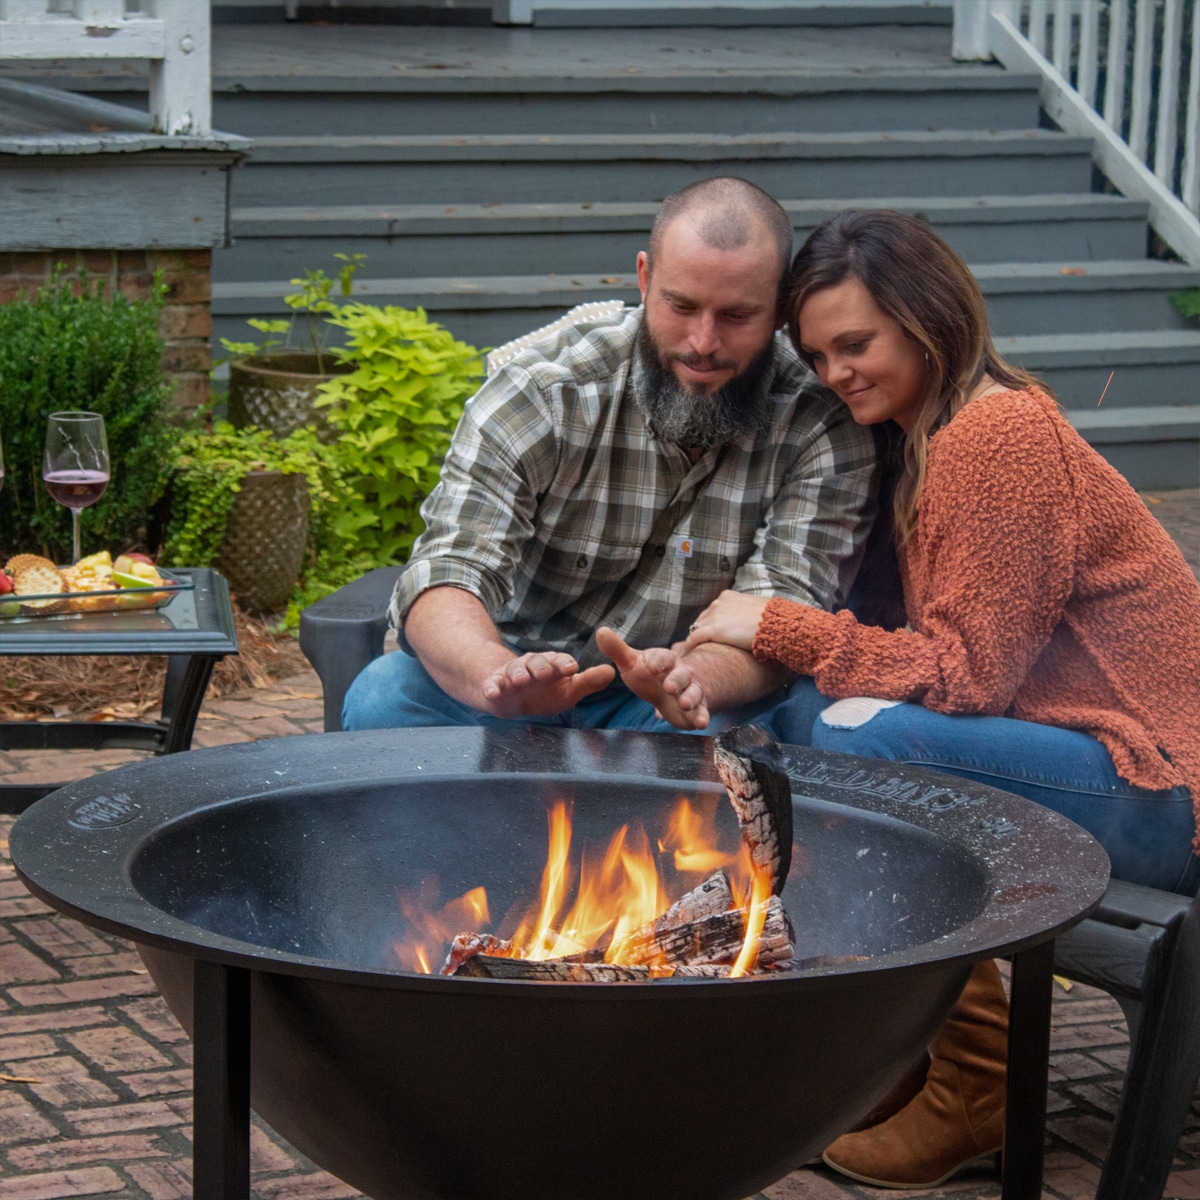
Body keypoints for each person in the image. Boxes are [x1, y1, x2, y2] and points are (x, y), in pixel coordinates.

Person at [682, 208, 1200, 1189]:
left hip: (1165, 782)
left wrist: (771, 623)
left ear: (929, 319)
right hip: (1097, 757)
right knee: (794, 727)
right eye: (819, 353)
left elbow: (967, 678)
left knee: (862, 742)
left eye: (856, 345)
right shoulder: (930, 436)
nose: (836, 374)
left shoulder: (995, 433)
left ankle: (977, 1085)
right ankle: (899, 1057)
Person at [341, 177, 879, 734]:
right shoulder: (544, 391)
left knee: (765, 730)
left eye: (737, 316)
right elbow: (449, 570)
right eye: (682, 305)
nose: (702, 341)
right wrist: (498, 677)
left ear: (779, 311)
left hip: (671, 714)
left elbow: (784, 611)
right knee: (385, 697)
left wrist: (692, 682)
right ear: (645, 279)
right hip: (511, 681)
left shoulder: (821, 421)